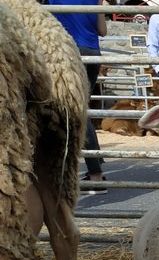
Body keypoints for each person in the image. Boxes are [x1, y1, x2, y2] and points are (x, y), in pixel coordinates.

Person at [51, 0, 108, 194]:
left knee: (77, 111)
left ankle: (96, 174)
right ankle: (95, 163)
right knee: (82, 109)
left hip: (68, 52)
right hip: (93, 52)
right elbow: (103, 30)